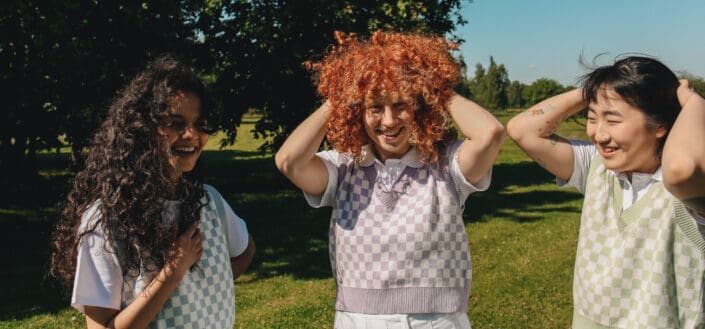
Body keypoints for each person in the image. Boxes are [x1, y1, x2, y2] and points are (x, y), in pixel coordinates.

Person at [275, 31, 505, 329]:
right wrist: (340, 94)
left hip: (437, 321)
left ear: (422, 107)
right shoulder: (344, 167)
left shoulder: (445, 166)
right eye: (375, 107)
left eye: (400, 105)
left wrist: (432, 85)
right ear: (359, 111)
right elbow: (288, 161)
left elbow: (492, 134)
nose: (388, 121)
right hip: (358, 321)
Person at [49, 55, 255, 329]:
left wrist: (207, 290)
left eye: (200, 123)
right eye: (175, 123)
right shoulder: (107, 221)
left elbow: (246, 249)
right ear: (142, 129)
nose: (191, 135)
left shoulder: (210, 201)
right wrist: (172, 274)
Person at [506, 56, 705, 328]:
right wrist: (600, 89)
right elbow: (523, 129)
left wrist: (693, 104)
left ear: (660, 124)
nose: (599, 135)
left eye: (612, 120)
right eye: (592, 118)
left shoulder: (687, 190)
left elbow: (681, 168)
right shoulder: (597, 168)